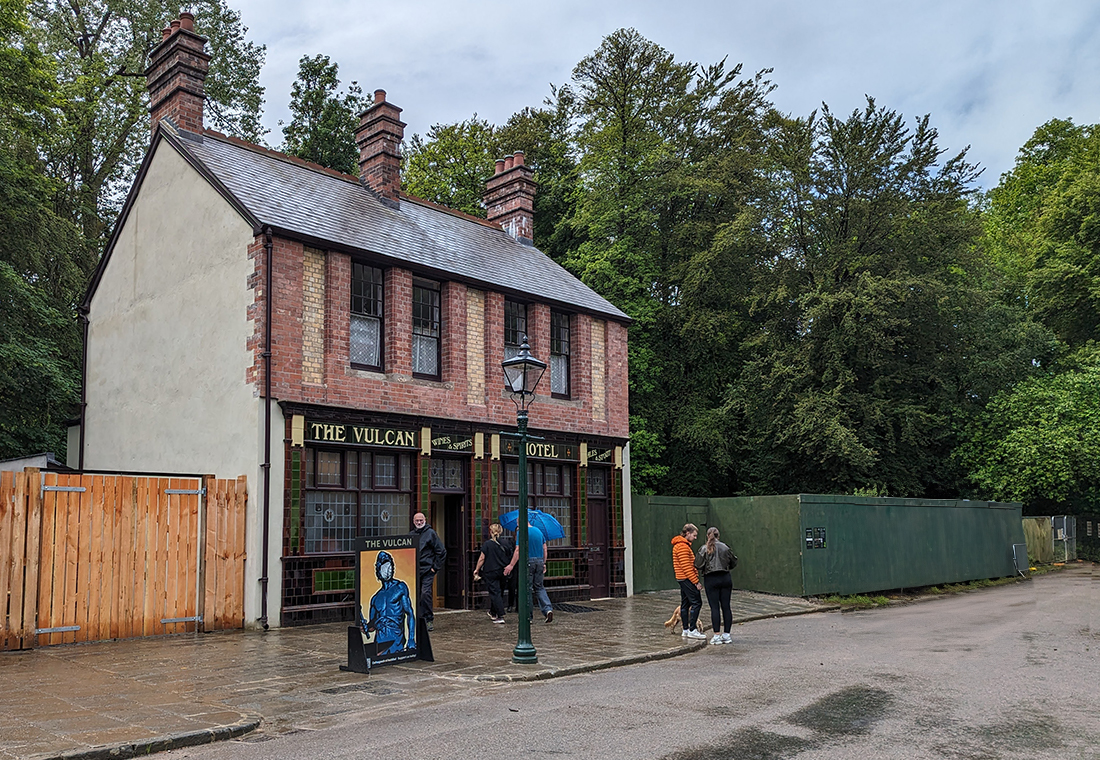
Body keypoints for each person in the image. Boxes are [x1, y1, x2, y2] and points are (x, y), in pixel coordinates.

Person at [361, 551, 415, 654]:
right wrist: (364, 627)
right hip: (380, 641)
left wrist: (411, 638)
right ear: (378, 568)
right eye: (383, 565)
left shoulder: (400, 587)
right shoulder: (375, 598)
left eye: (388, 564)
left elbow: (410, 614)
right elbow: (372, 625)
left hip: (396, 639)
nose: (387, 569)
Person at [694, 526, 736, 644]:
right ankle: (727, 634)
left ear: (708, 536)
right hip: (725, 577)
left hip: (711, 578)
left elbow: (697, 564)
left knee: (714, 607)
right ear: (718, 535)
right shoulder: (725, 547)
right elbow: (733, 561)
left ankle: (716, 635)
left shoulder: (703, 549)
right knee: (726, 606)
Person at [505, 523, 553, 623]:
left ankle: (528, 616)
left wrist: (511, 565)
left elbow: (517, 550)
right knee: (539, 587)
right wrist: (543, 563)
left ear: (519, 522)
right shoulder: (539, 531)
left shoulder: (521, 532)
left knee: (527, 589)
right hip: (539, 561)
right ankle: (548, 609)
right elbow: (545, 548)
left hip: (528, 562)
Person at [412, 511, 446, 631]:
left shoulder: (431, 533)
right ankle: (417, 619)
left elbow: (441, 552)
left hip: (427, 570)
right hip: (414, 571)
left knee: (425, 593)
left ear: (425, 520)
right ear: (413, 522)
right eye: (417, 521)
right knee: (414, 595)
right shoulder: (412, 535)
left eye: (421, 520)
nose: (419, 522)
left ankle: (428, 619)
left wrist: (434, 567)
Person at [671, 523, 706, 639]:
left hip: (682, 578)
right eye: (694, 535)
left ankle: (685, 630)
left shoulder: (680, 545)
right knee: (697, 602)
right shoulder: (682, 547)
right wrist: (696, 582)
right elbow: (687, 567)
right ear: (688, 533)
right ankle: (692, 629)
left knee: (685, 604)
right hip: (687, 579)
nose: (695, 538)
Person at [473, 523, 511, 623]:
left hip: (490, 571)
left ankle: (500, 615)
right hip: (503, 571)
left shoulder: (487, 544)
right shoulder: (506, 543)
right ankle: (493, 612)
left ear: (491, 532)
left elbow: (482, 558)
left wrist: (477, 569)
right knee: (500, 592)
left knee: (495, 593)